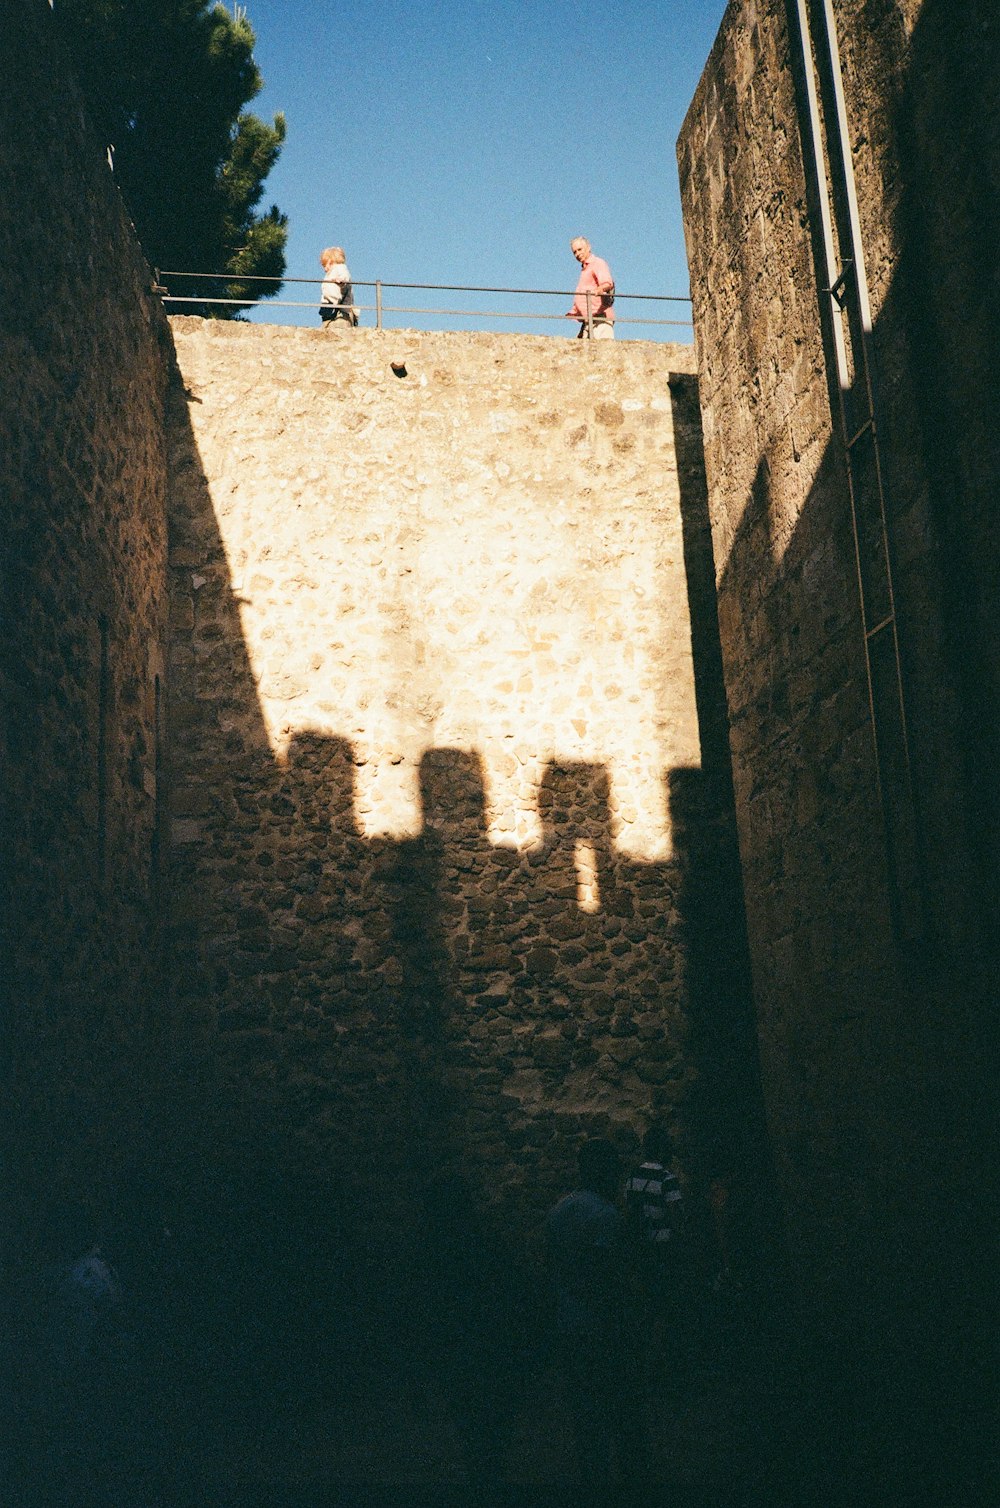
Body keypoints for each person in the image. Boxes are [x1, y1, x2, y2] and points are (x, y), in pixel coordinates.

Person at [544, 1138, 628, 1483]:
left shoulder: (560, 1210)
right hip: (602, 1326)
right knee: (615, 1409)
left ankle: (592, 1475)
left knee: (584, 1412)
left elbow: (550, 1266)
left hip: (568, 1323)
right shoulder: (607, 1216)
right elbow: (608, 1277)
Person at [566, 237, 615, 339]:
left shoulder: (597, 263)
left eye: (580, 249)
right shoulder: (585, 269)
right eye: (574, 252)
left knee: (602, 351)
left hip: (600, 320)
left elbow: (607, 282)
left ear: (588, 247)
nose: (577, 254)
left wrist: (599, 289)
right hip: (589, 322)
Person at [318, 246, 358, 327]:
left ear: (331, 261)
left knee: (338, 329)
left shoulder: (340, 267)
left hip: (340, 312)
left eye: (325, 265)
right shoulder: (330, 273)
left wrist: (341, 280)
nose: (325, 269)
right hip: (330, 308)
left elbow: (345, 276)